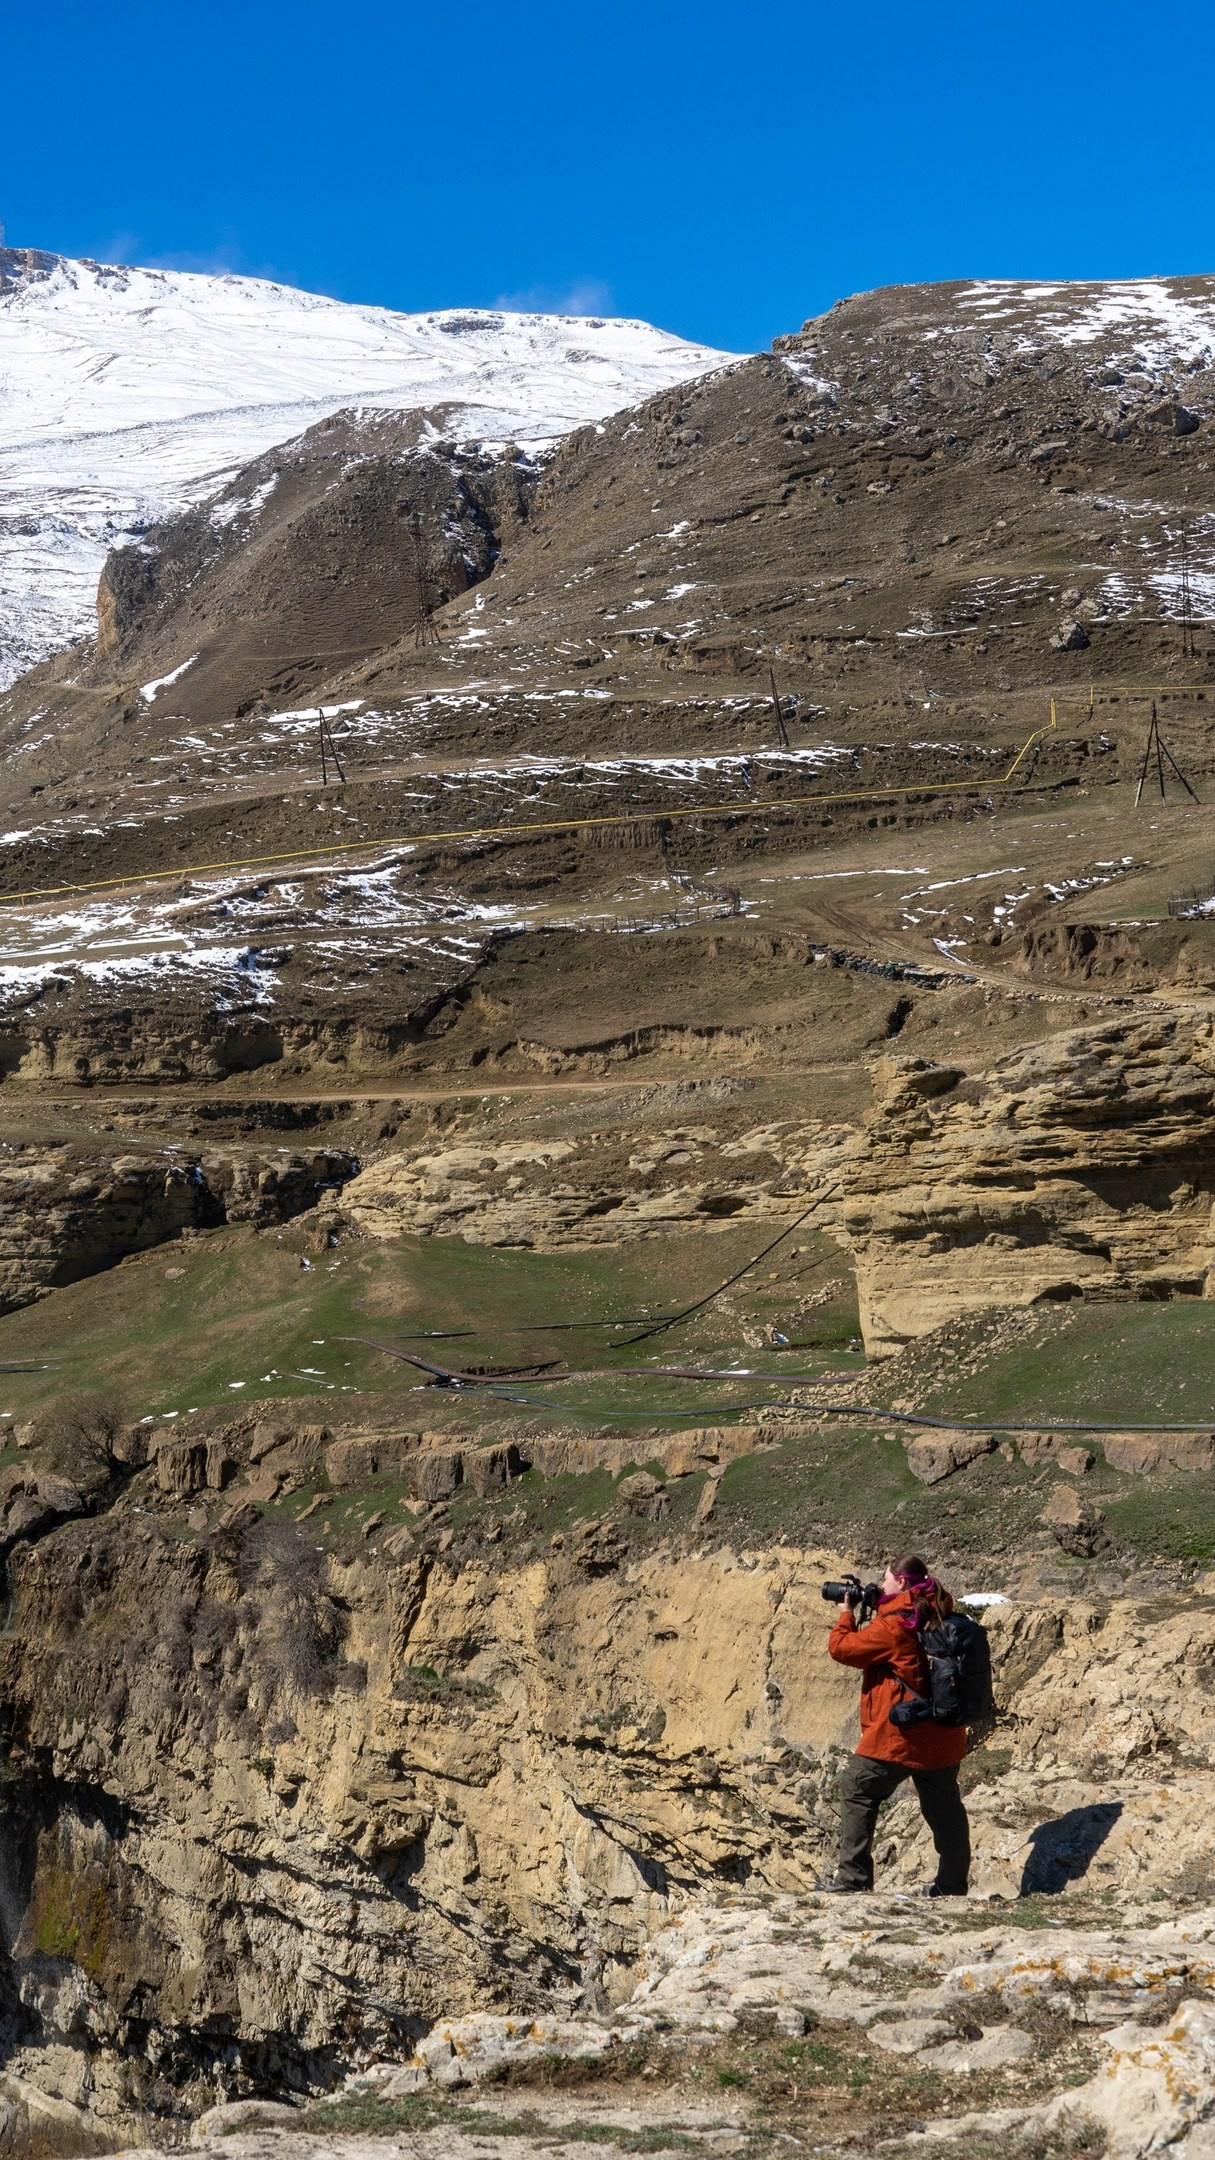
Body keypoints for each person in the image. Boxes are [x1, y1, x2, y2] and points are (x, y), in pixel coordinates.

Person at [822, 1555, 970, 1897]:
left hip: (902, 1734)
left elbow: (841, 1649)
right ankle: (952, 1885)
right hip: (944, 1733)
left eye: (886, 1579)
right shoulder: (938, 1608)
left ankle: (853, 1879)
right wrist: (880, 1603)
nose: (881, 1584)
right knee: (945, 1808)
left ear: (902, 1582)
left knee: (858, 1786)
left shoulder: (894, 1625)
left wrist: (846, 1613)